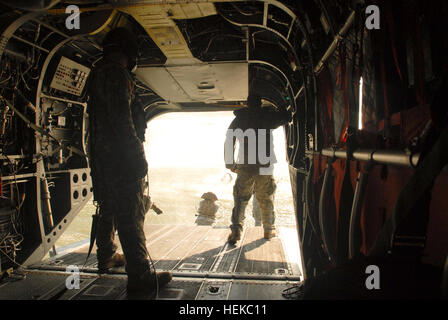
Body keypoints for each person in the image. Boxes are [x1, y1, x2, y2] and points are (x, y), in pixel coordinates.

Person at [87, 27, 171, 297]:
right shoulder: (117, 75)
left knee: (108, 206)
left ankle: (107, 255)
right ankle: (141, 275)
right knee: (131, 214)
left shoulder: (97, 73)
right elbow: (122, 120)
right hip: (121, 158)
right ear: (129, 51)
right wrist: (136, 156)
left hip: (102, 158)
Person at [224, 94, 290, 244]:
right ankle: (268, 230)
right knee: (266, 197)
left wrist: (230, 164)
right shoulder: (267, 117)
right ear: (260, 103)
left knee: (241, 198)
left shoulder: (239, 119)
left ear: (246, 104)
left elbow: (229, 140)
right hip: (264, 164)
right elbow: (286, 117)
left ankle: (236, 231)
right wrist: (282, 104)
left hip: (246, 164)